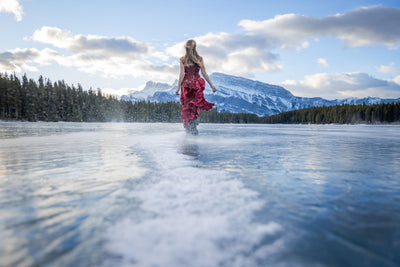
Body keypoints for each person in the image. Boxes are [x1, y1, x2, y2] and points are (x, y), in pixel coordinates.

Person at [175, 39, 217, 135]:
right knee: (194, 105)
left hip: (186, 85)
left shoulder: (182, 59)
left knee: (186, 106)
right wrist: (212, 86)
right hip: (196, 85)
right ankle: (193, 125)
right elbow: (204, 73)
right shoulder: (199, 59)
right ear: (195, 47)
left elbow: (182, 74)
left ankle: (188, 128)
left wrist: (178, 88)